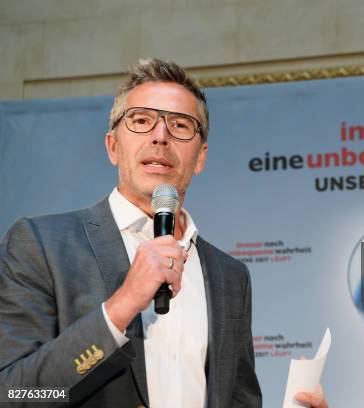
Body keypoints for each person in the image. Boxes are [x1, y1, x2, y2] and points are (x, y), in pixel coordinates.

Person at [0, 59, 328, 408]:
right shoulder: (41, 244)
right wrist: (121, 306)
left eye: (180, 125)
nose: (160, 136)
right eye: (141, 120)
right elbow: (13, 394)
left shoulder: (229, 276)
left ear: (200, 157)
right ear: (113, 146)